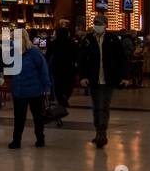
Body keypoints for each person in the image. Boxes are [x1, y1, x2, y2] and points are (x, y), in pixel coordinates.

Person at [78, 16, 128, 148]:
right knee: (96, 106)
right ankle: (98, 130)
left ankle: (102, 132)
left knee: (104, 106)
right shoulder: (88, 39)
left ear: (106, 24)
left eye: (99, 23)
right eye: (95, 23)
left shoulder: (113, 39)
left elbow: (121, 59)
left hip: (108, 79)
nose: (97, 25)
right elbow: (82, 60)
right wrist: (82, 77)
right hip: (93, 79)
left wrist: (123, 76)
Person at [8, 30, 52, 149]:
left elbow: (43, 70)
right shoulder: (12, 53)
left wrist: (47, 87)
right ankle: (16, 140)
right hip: (19, 91)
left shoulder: (34, 53)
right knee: (19, 118)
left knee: (37, 117)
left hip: (35, 91)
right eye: (12, 39)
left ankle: (40, 138)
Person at [46, 20, 77, 113]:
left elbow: (48, 55)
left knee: (57, 86)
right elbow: (77, 55)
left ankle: (61, 100)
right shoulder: (72, 43)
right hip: (69, 67)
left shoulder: (54, 43)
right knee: (69, 85)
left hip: (57, 67)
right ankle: (65, 97)